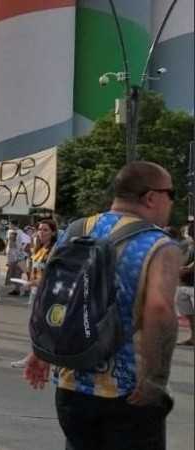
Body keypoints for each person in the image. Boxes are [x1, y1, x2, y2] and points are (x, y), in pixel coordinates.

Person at [24, 161, 179, 449]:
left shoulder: (76, 229)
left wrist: (41, 351)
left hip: (72, 383)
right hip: (128, 391)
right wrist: (155, 379)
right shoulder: (159, 244)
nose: (172, 201)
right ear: (152, 197)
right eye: (172, 194)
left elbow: (53, 291)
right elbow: (159, 309)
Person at [10, 219, 58, 369]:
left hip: (46, 291)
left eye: (45, 230)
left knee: (43, 326)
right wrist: (28, 277)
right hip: (34, 289)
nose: (41, 232)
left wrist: (39, 282)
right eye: (40, 229)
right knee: (35, 325)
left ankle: (40, 357)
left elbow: (53, 272)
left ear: (53, 232)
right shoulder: (38, 248)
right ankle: (37, 355)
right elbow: (34, 269)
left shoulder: (54, 249)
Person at [175, 222, 194, 346]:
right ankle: (193, 337)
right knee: (188, 311)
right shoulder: (185, 244)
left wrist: (187, 269)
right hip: (184, 283)